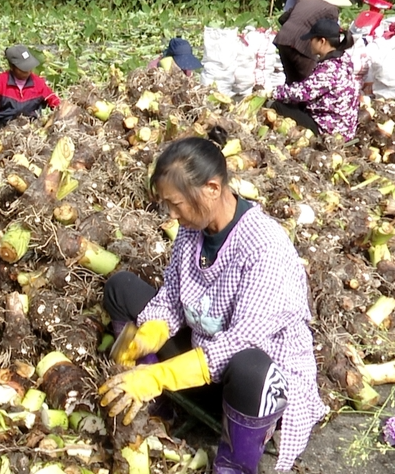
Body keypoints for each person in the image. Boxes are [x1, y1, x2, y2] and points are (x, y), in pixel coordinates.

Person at [99, 129, 328, 474]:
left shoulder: (265, 246)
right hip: (201, 365)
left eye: (176, 203)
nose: (172, 215)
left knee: (250, 366)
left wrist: (158, 376)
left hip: (252, 386)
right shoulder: (193, 230)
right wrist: (150, 333)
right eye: (166, 204)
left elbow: (242, 342)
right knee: (121, 288)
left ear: (212, 189)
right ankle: (152, 409)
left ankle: (234, 465)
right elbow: (172, 299)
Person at [270, 18, 359, 138]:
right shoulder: (343, 59)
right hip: (344, 127)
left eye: (312, 39)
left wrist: (273, 92)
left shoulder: (329, 69)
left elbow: (302, 92)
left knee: (276, 105)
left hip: (330, 130)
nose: (309, 42)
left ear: (322, 41)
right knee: (294, 104)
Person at [0, 44, 61, 140]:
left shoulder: (38, 83)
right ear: (12, 67)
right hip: (2, 127)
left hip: (30, 129)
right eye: (23, 68)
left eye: (29, 67)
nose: (28, 71)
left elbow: (56, 103)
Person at [273, 0, 352, 85]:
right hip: (301, 44)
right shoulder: (331, 9)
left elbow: (282, 18)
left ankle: (286, 100)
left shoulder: (306, 0)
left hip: (283, 39)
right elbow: (329, 32)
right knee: (310, 82)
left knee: (291, 81)